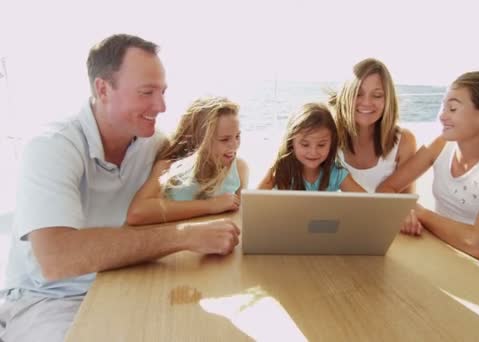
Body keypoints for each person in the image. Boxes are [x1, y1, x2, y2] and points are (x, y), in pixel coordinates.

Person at [0, 34, 240, 342]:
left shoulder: (154, 144)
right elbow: (57, 258)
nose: (162, 105)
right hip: (50, 299)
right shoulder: (51, 147)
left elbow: (197, 172)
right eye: (146, 93)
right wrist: (184, 237)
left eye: (163, 92)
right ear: (103, 89)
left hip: (127, 278)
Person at [377, 71, 479, 259]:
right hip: (440, 250)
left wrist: (419, 212)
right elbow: (387, 187)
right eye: (443, 108)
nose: (442, 116)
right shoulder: (440, 145)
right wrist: (404, 211)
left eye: (452, 109)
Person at [126, 97, 248, 225]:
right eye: (224, 139)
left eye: (237, 136)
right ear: (199, 140)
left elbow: (241, 218)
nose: (234, 146)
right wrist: (210, 205)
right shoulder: (169, 168)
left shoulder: (239, 168)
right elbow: (137, 213)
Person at [329, 58, 417, 193]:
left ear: (388, 100)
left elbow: (406, 203)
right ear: (345, 96)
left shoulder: (404, 141)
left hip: (387, 215)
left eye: (377, 95)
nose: (366, 102)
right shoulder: (327, 137)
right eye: (358, 94)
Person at [258, 102, 365, 192]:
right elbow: (254, 201)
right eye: (305, 145)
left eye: (321, 145)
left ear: (331, 144)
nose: (313, 152)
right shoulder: (281, 170)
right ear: (291, 143)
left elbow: (368, 202)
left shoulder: (336, 173)